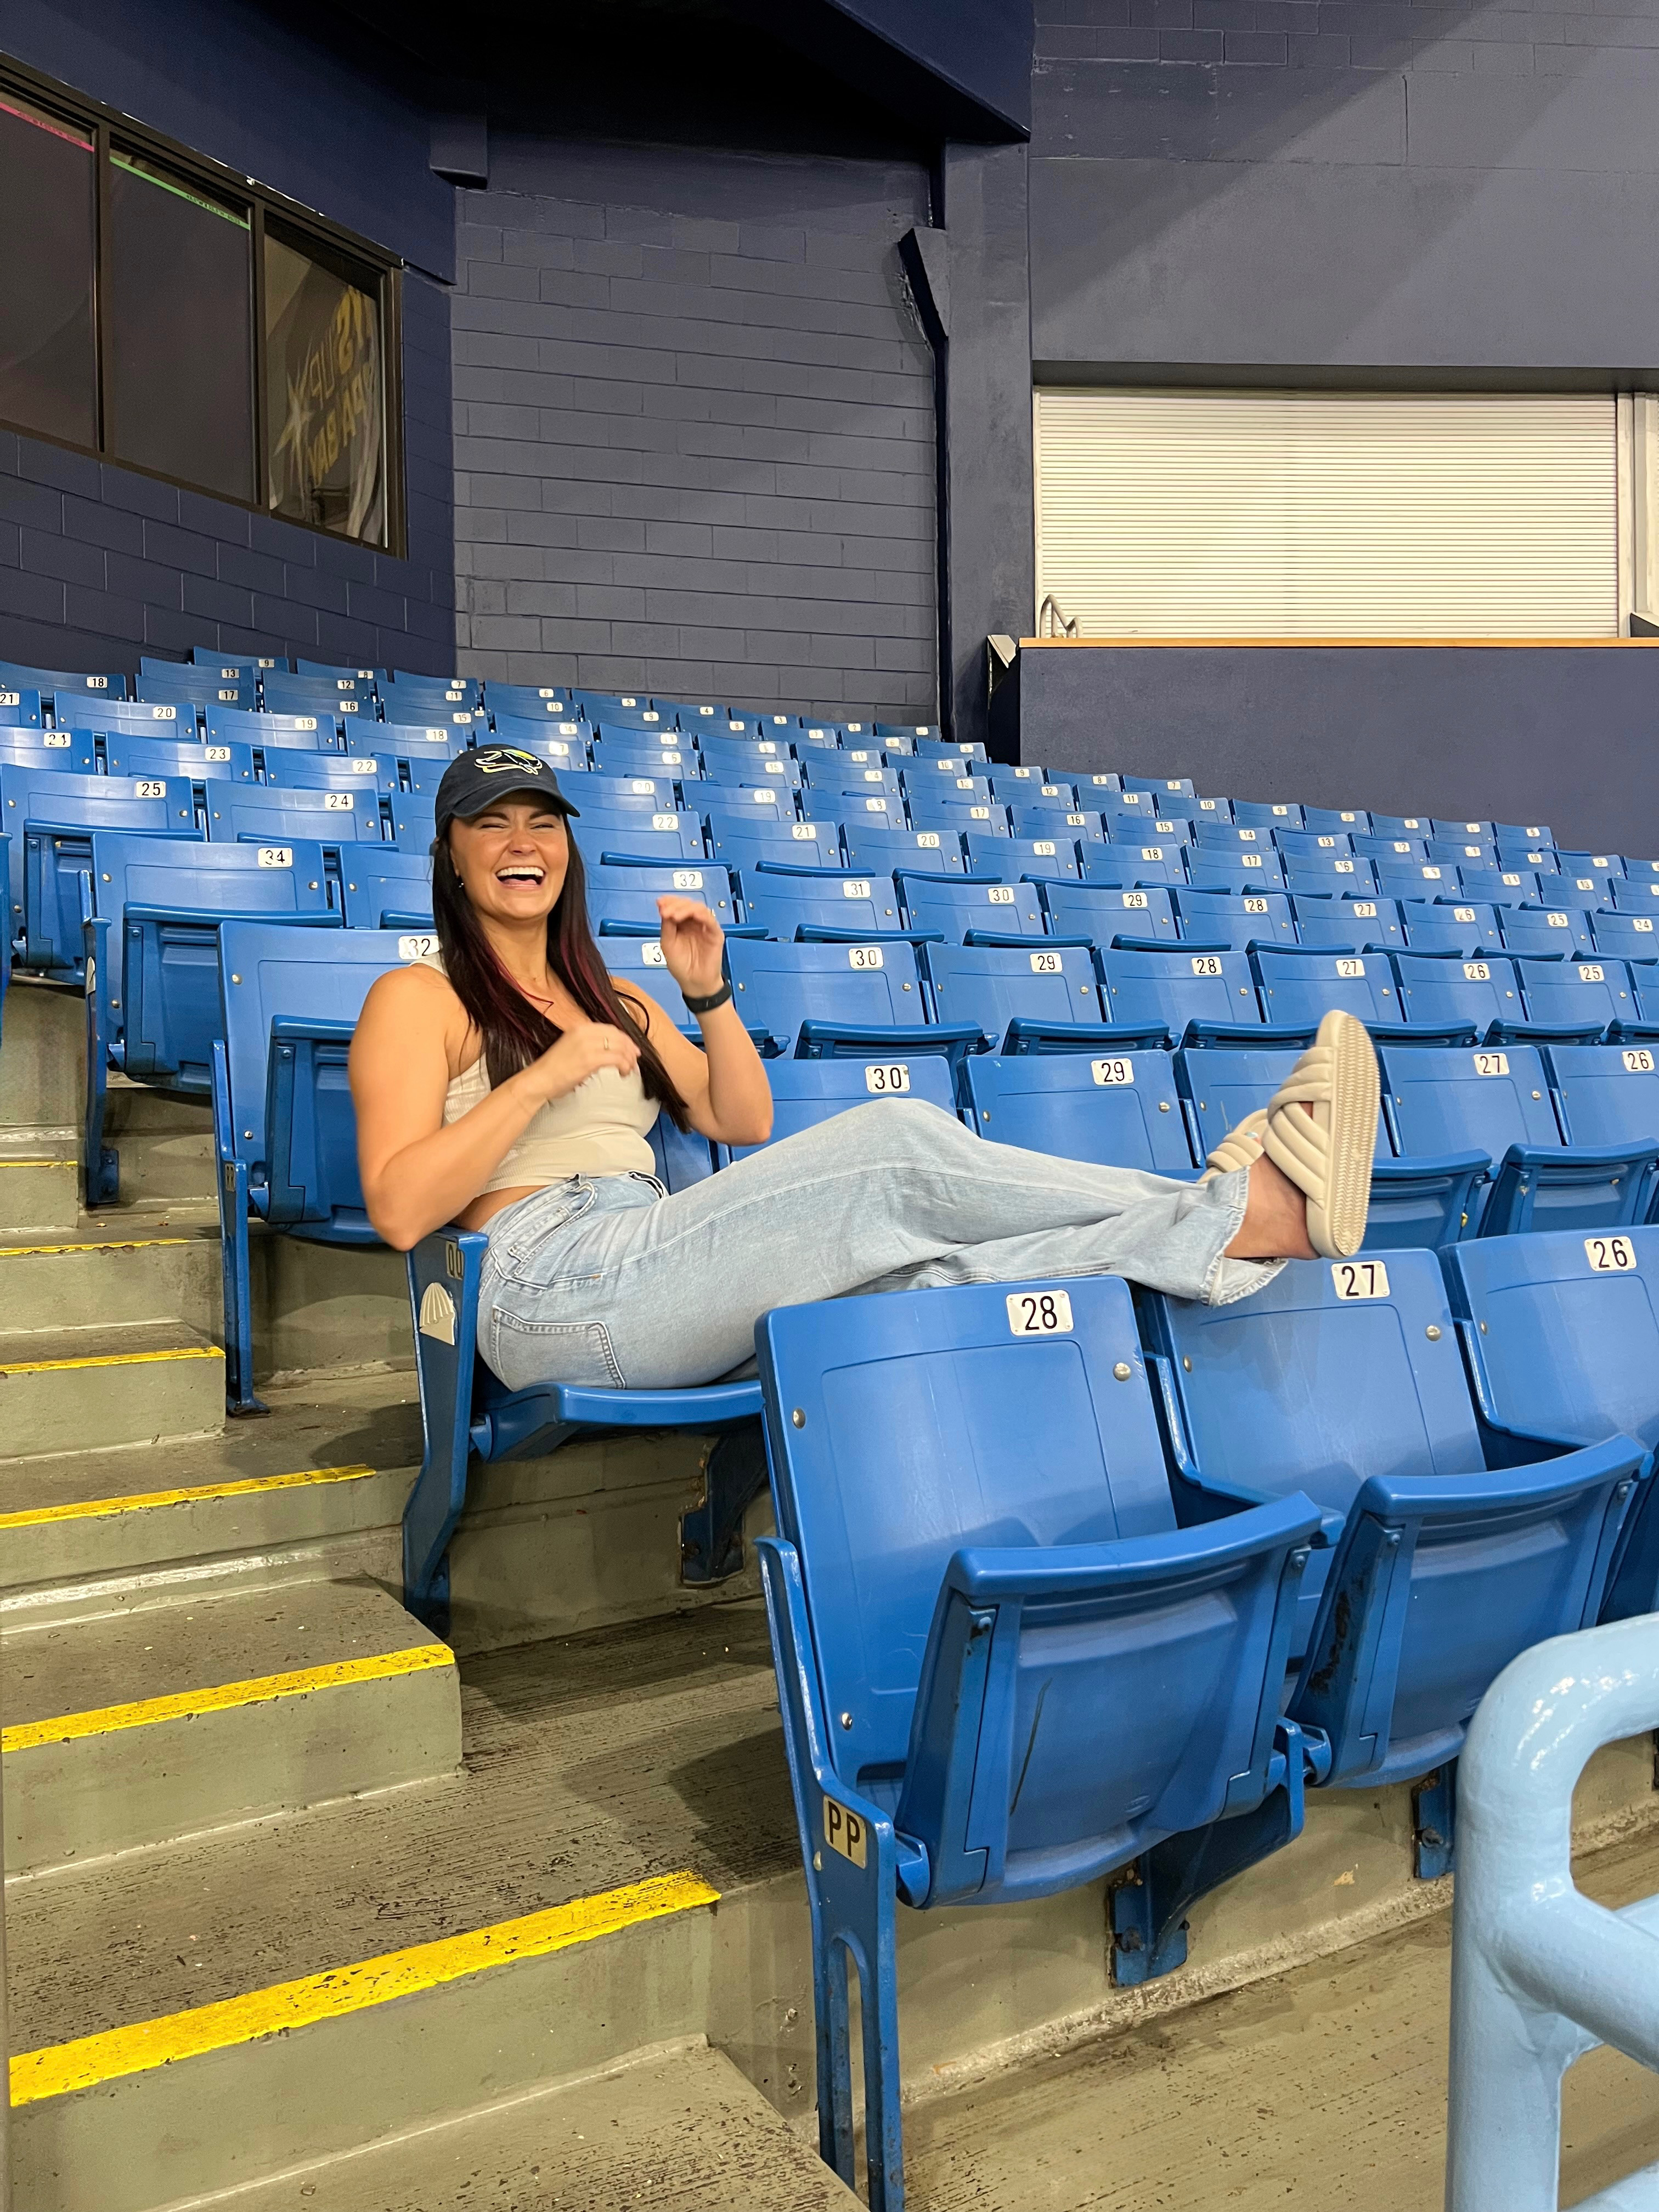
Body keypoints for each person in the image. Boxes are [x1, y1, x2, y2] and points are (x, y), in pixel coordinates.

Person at [349, 745, 1380, 1393]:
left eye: (541, 822)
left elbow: (734, 1117)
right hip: (543, 1286)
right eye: (491, 823)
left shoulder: (621, 1001)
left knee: (926, 1283)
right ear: (450, 851)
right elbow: (399, 1211)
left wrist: (708, 994)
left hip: (649, 1250)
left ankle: (1243, 1225)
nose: (520, 842)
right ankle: (1229, 1207)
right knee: (895, 1144)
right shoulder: (419, 998)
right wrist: (540, 1075)